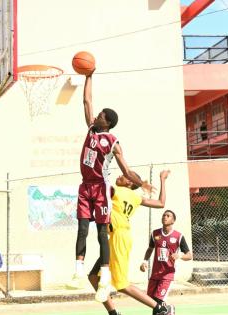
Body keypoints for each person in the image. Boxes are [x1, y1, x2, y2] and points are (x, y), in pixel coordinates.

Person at [69, 72, 155, 303]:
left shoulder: (113, 141)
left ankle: (105, 275)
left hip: (101, 188)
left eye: (101, 115)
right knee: (82, 229)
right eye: (98, 114)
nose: (96, 115)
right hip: (85, 186)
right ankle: (80, 268)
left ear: (106, 122)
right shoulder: (90, 129)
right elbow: (86, 100)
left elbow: (126, 171)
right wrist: (89, 76)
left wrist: (141, 182)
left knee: (100, 233)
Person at [89, 170, 174, 314]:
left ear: (129, 182)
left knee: (122, 285)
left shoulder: (117, 190)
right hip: (118, 238)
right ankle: (113, 313)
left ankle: (161, 309)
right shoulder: (135, 197)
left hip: (119, 238)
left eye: (123, 175)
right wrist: (163, 180)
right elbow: (161, 203)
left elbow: (97, 185)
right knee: (93, 277)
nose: (119, 175)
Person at [140, 210, 193, 308]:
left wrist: (179, 255)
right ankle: (167, 311)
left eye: (168, 216)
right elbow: (150, 249)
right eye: (164, 215)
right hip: (155, 273)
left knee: (158, 300)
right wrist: (144, 261)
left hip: (167, 274)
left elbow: (189, 255)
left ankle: (167, 311)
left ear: (173, 221)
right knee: (151, 301)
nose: (165, 217)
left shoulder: (178, 236)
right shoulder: (155, 234)